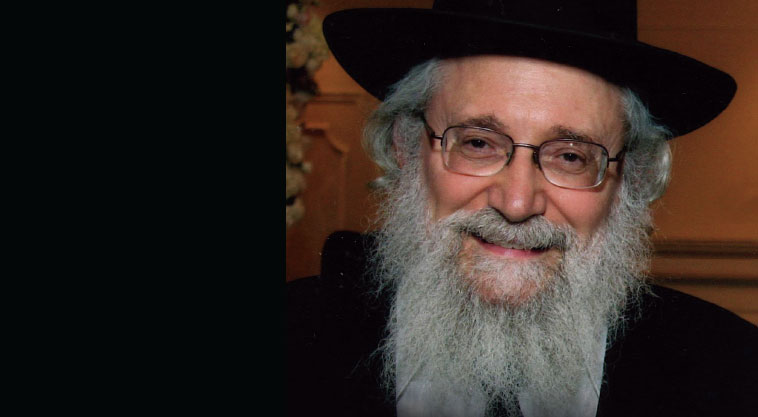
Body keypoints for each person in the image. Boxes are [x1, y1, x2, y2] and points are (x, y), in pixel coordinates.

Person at [286, 1, 758, 416]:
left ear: (629, 178)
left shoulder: (735, 372)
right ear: (407, 147)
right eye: (477, 143)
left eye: (570, 156)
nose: (516, 203)